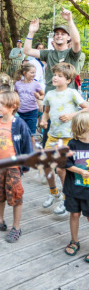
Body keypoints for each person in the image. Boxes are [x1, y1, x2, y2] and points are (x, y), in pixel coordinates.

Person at [40, 63, 89, 216]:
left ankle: (65, 197)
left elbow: (86, 108)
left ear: (68, 80)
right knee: (45, 164)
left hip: (68, 138)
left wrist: (71, 116)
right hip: (53, 136)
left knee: (61, 168)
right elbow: (46, 112)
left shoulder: (72, 93)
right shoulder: (49, 94)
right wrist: (44, 120)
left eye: (60, 76)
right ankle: (53, 191)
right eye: (54, 74)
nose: (55, 77)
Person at [0, 91, 33, 243]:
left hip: (13, 167)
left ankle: (16, 227)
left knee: (16, 196)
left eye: (2, 103)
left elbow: (27, 145)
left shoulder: (19, 124)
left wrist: (24, 166)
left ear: (13, 107)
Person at [23, 8, 81, 92]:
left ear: (69, 37)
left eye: (63, 34)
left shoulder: (72, 53)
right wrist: (31, 32)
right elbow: (27, 51)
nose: (59, 36)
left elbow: (76, 41)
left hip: (68, 97)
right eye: (57, 34)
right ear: (54, 37)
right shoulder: (48, 53)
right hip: (50, 95)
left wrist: (69, 20)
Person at [63, 112, 89, 261]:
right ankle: (74, 241)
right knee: (74, 215)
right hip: (73, 188)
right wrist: (79, 171)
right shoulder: (72, 144)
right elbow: (65, 164)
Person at [14, 63, 44, 147]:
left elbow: (43, 95)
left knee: (31, 135)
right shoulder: (18, 84)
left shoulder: (36, 84)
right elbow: (15, 96)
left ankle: (32, 154)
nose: (34, 74)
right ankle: (21, 152)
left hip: (32, 112)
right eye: (31, 72)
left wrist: (39, 97)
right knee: (20, 134)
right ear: (24, 72)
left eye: (35, 72)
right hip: (20, 113)